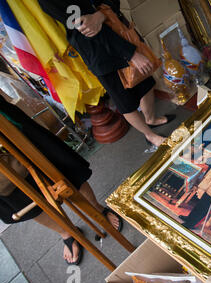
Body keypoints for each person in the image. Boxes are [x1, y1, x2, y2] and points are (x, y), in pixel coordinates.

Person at [0, 94, 121, 265]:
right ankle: (66, 232)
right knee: (22, 202)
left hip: (8, 126)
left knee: (63, 171)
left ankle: (96, 208)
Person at [37, 0, 176, 147]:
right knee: (124, 100)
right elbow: (88, 29)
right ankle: (150, 135)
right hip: (98, 50)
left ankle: (151, 118)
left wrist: (101, 14)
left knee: (145, 81)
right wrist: (131, 54)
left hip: (119, 30)